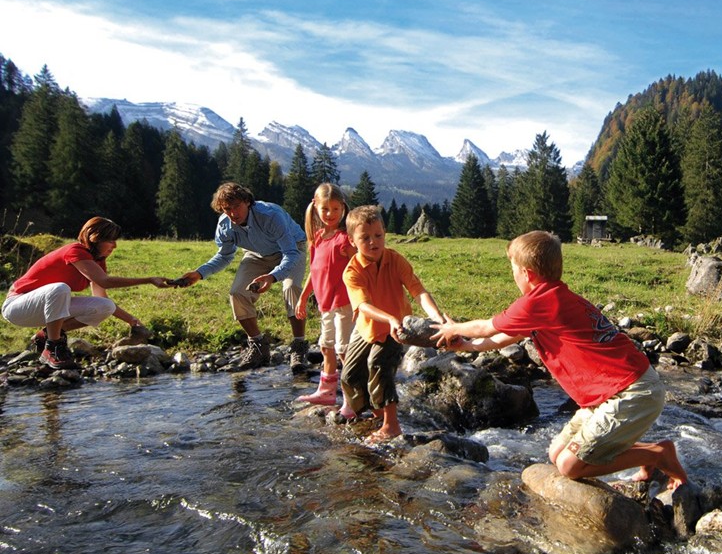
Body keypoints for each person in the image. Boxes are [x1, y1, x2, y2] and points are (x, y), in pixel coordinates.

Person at [433, 230, 687, 489]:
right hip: (610, 394)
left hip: (631, 392)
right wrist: (467, 345)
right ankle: (653, 453)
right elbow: (503, 338)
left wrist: (454, 329)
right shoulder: (551, 299)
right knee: (557, 453)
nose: (512, 275)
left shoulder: (538, 303)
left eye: (513, 269)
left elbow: (488, 328)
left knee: (569, 465)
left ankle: (657, 455)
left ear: (527, 274)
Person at [2, 217, 170, 370]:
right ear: (94, 237)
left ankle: (45, 337)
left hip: (46, 309)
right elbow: (105, 281)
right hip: (17, 306)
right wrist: (148, 280)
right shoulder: (76, 251)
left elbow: (101, 297)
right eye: (110, 240)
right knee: (60, 288)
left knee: (105, 306)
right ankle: (53, 347)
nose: (115, 246)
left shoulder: (97, 260)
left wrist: (131, 321)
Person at [174, 182, 308, 371]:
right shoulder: (225, 224)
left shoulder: (270, 216)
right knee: (237, 293)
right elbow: (224, 256)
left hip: (293, 249)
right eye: (226, 209)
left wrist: (273, 276)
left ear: (247, 202)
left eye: (236, 206)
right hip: (255, 255)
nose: (232, 213)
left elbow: (291, 253)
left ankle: (299, 346)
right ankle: (258, 346)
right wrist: (199, 273)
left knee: (291, 288)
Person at [341, 205, 445, 443]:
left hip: (396, 329)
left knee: (378, 364)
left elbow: (418, 291)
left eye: (378, 235)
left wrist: (436, 317)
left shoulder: (395, 260)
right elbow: (362, 306)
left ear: (385, 233)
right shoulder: (352, 271)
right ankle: (377, 413)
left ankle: (392, 425)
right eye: (365, 238)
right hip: (368, 326)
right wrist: (387, 318)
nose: (373, 242)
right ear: (352, 241)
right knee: (350, 376)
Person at [294, 183, 357, 412]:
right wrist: (303, 298)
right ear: (316, 208)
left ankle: (352, 398)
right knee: (326, 347)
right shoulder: (318, 238)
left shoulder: (344, 240)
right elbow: (314, 271)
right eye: (325, 209)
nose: (330, 214)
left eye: (335, 209)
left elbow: (359, 268)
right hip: (326, 304)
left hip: (344, 304)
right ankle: (327, 392)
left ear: (343, 209)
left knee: (344, 349)